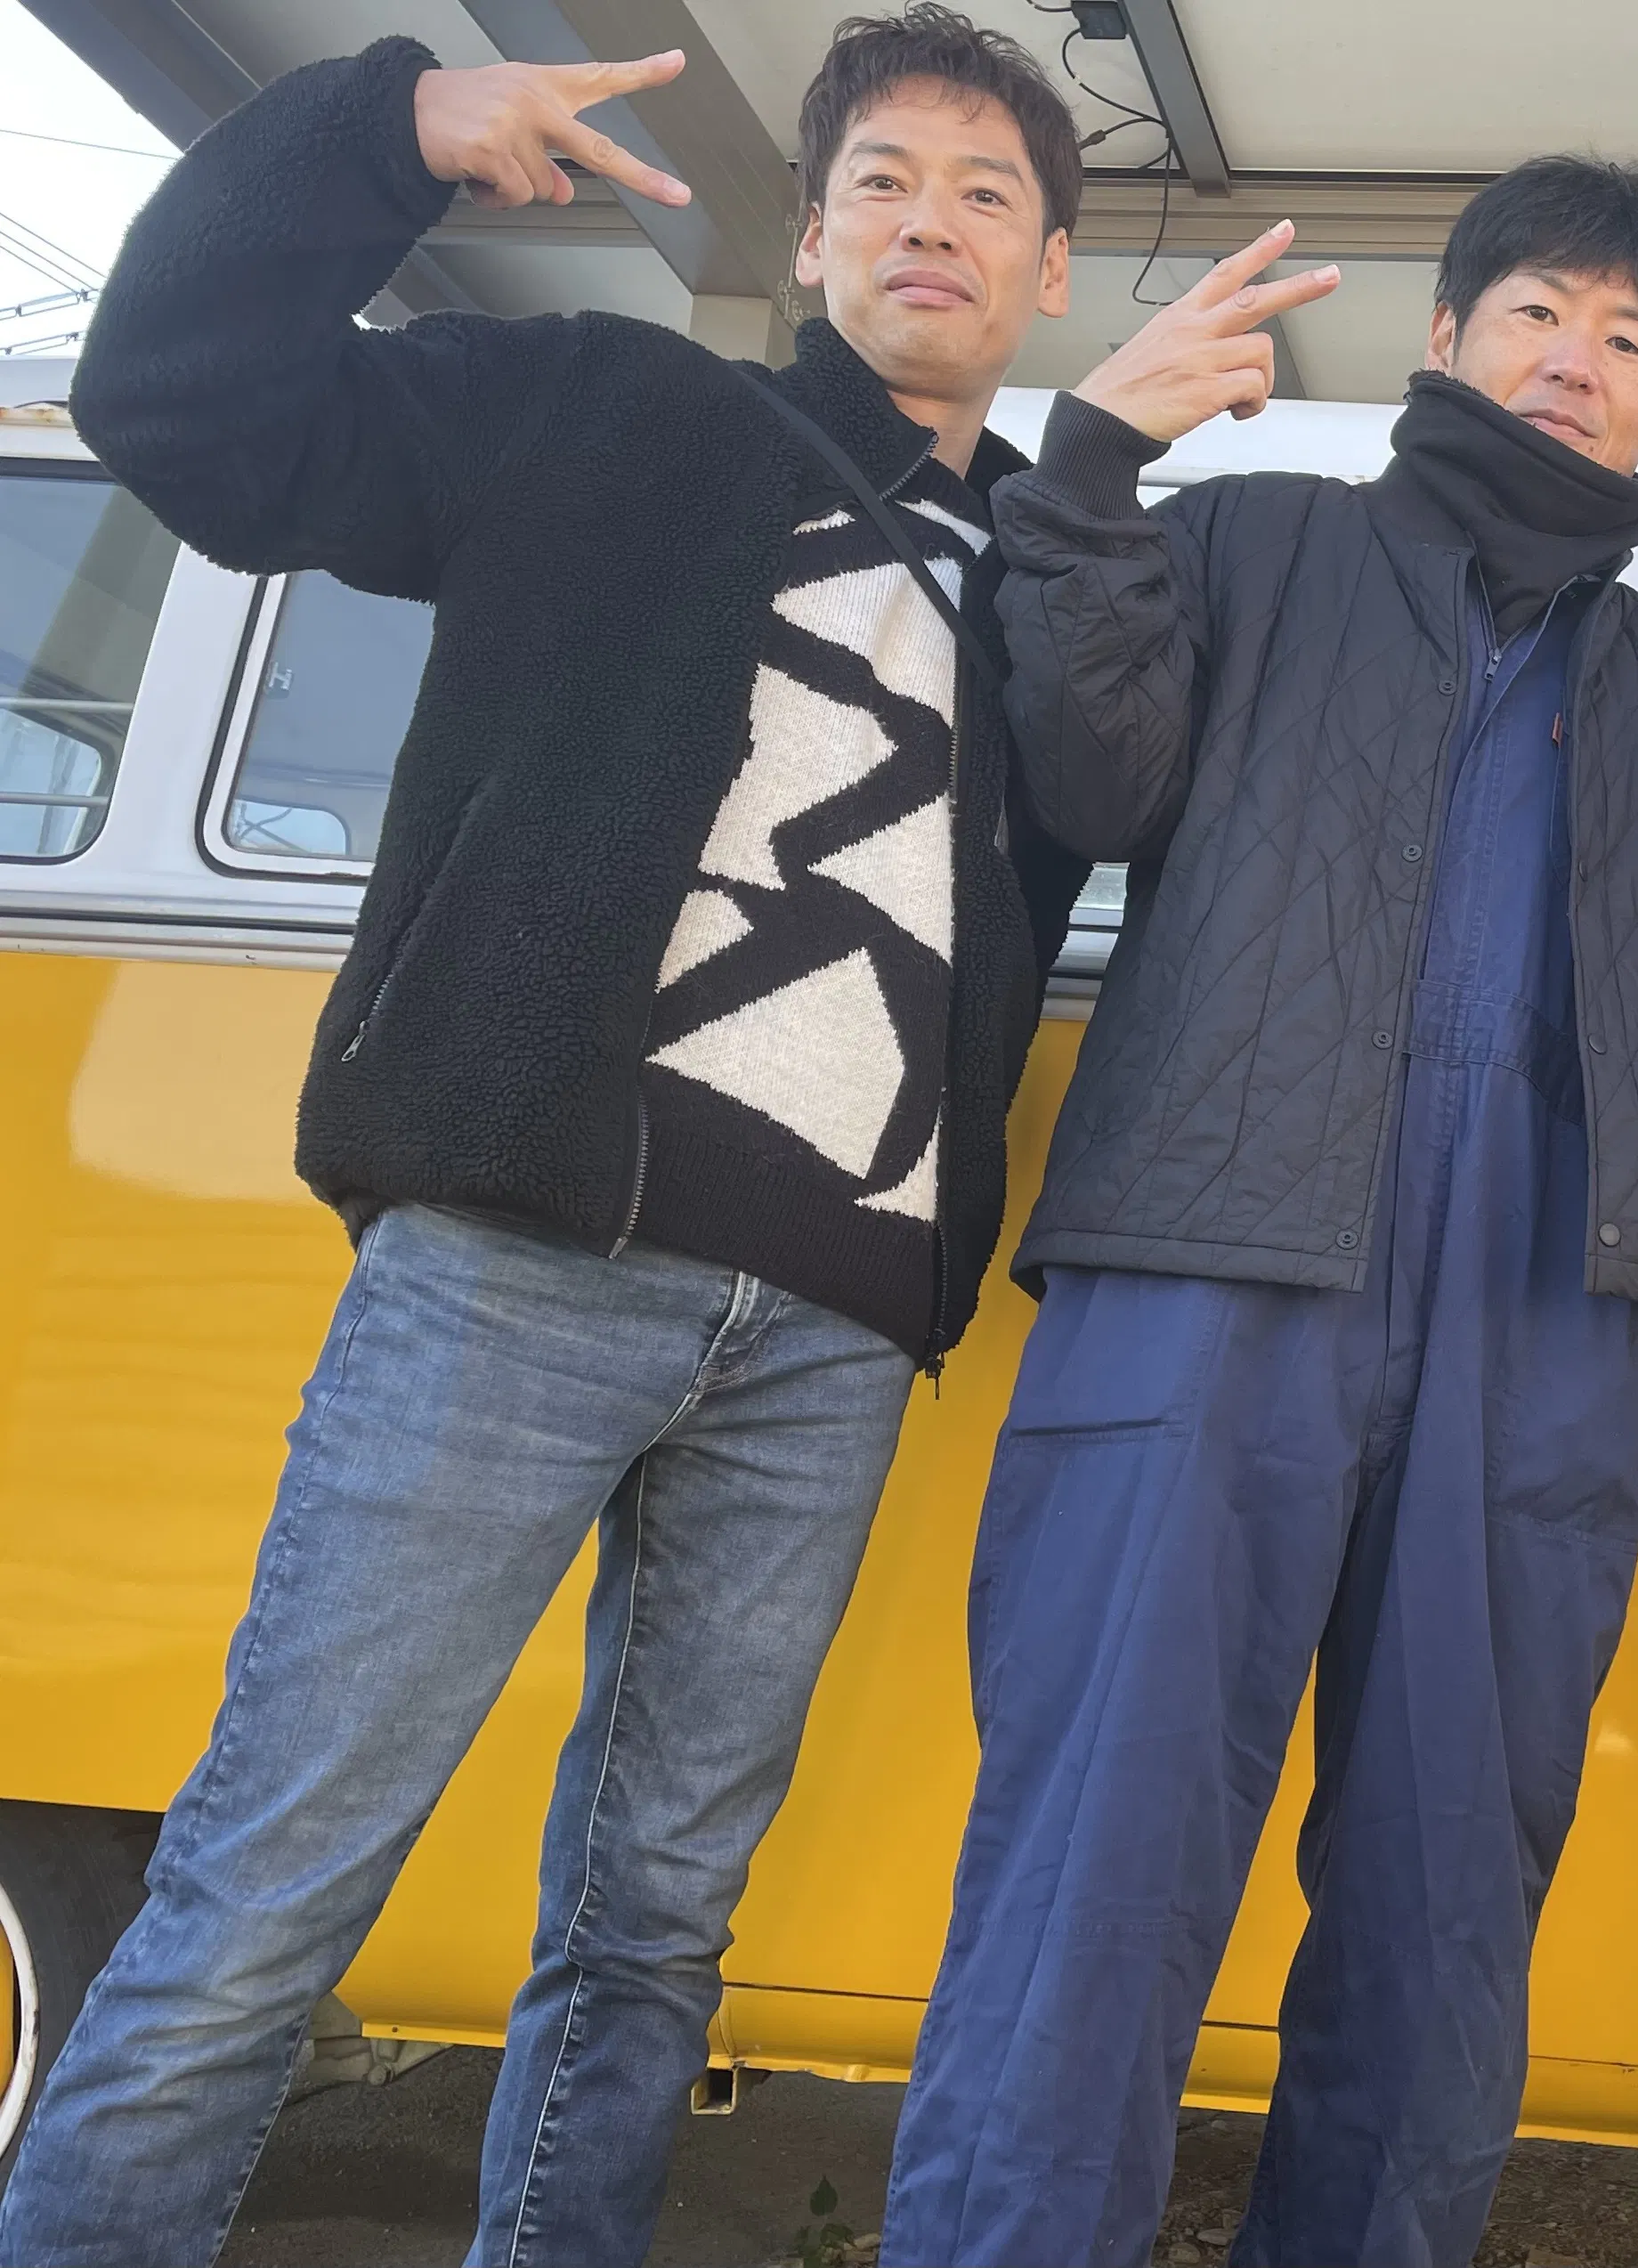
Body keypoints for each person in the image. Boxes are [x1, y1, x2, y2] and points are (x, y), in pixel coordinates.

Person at [0, 12, 1087, 2264]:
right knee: (270, 1879)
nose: (933, 225)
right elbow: (185, 405)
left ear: (1050, 273)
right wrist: (387, 128)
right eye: (884, 182)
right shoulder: (609, 408)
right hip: (517, 1260)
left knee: (654, 1928)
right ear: (811, 236)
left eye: (987, 195)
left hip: (829, 1334)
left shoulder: (1060, 591)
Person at [881, 162, 1638, 2268]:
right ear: (1447, 336)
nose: (1578, 360)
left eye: (1630, 340)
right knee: (1097, 1864)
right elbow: (1090, 778)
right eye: (1539, 310)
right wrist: (1091, 468)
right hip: (1213, 1258)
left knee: (1443, 1908)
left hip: (1537, 1325)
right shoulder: (1256, 539)